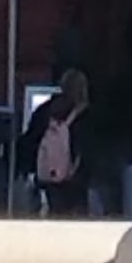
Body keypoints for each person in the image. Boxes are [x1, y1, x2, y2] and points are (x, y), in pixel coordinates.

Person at [19, 65, 90, 212]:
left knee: (54, 211)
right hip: (76, 178)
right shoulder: (87, 115)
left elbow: (30, 140)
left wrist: (30, 169)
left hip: (49, 175)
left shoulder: (45, 110)